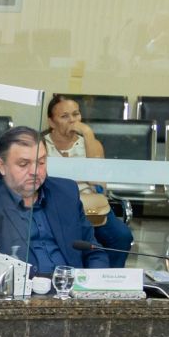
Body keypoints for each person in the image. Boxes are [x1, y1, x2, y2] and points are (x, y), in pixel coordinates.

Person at [0, 126, 107, 274]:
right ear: (2, 166)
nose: (35, 172)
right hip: (20, 286)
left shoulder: (65, 192)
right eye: (23, 164)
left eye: (41, 162)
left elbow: (94, 252)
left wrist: (93, 284)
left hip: (73, 286)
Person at [41, 95, 134, 267]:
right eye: (64, 116)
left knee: (122, 236)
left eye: (76, 114)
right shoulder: (41, 145)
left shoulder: (92, 144)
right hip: (55, 205)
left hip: (90, 207)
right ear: (51, 122)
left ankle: (106, 277)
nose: (72, 120)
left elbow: (97, 181)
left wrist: (88, 134)